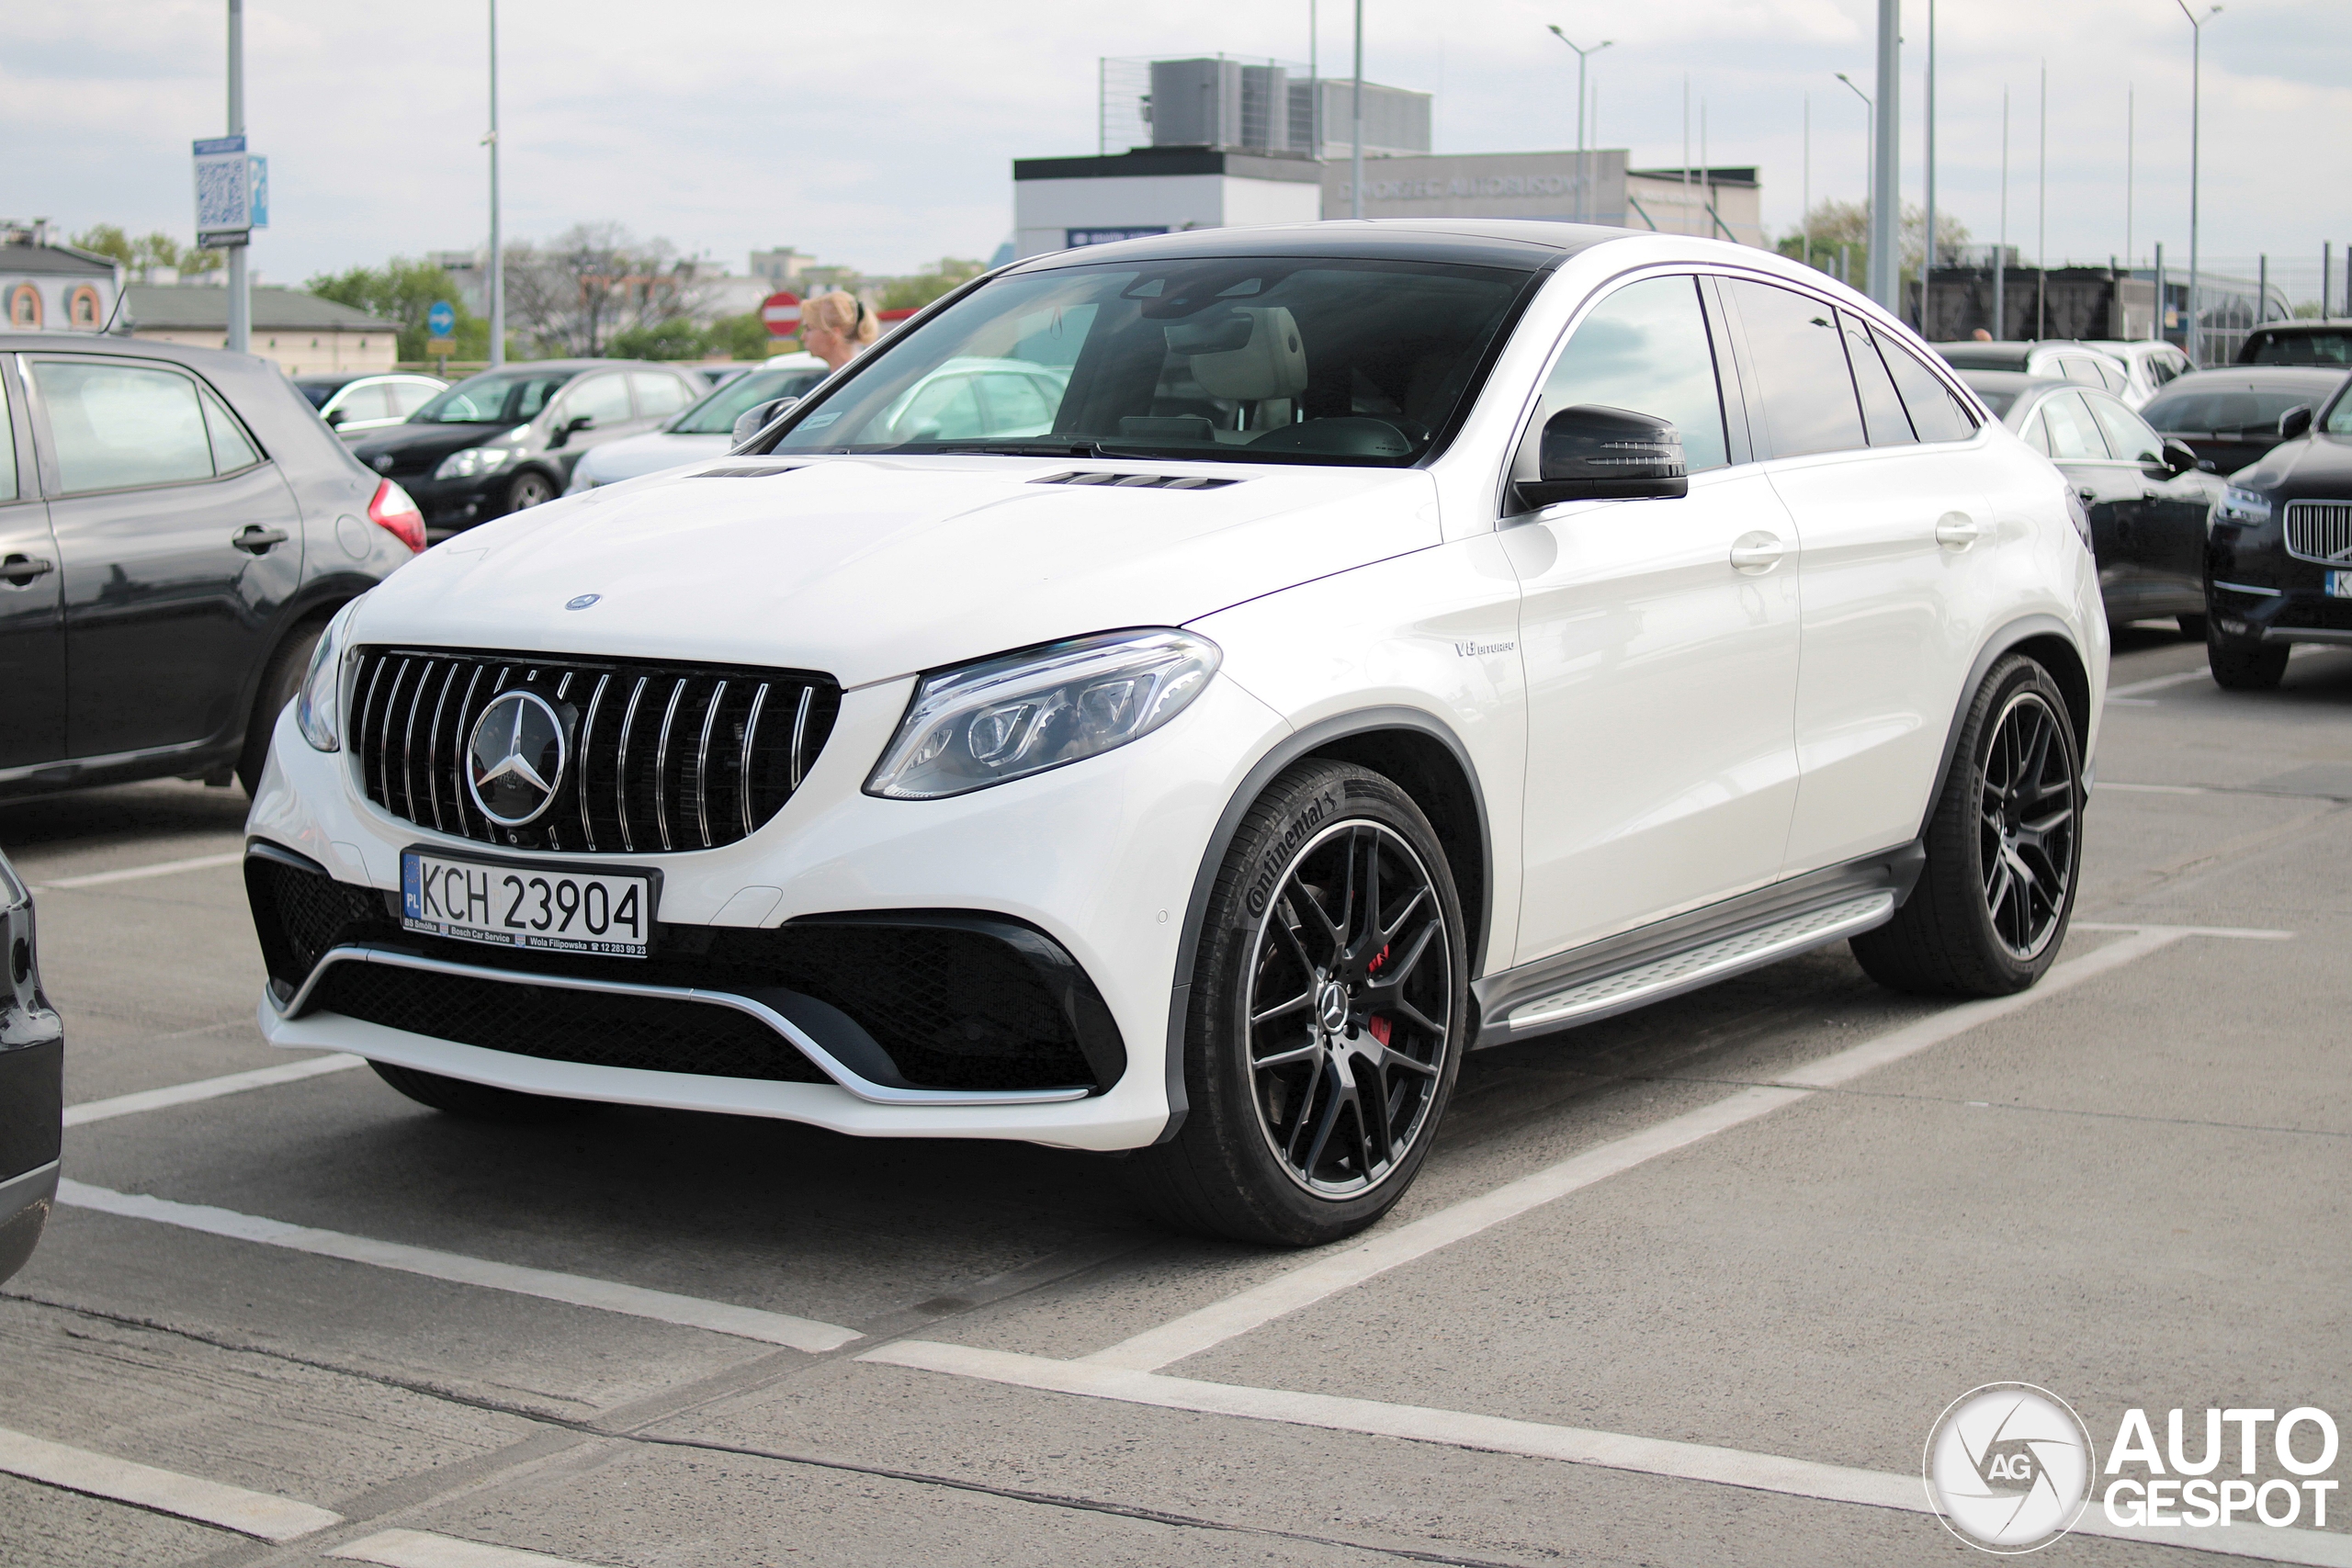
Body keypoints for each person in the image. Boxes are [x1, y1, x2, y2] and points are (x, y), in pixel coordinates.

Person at [802, 290, 877, 371]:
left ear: (834, 334)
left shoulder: (855, 377)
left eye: (809, 329)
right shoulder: (860, 374)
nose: (803, 337)